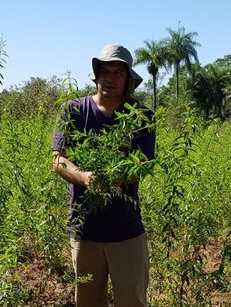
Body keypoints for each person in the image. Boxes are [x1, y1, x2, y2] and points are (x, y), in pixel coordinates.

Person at [51, 44, 156, 307]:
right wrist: (83, 177)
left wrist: (112, 178)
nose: (109, 78)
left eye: (118, 73)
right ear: (96, 75)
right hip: (85, 230)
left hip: (127, 231)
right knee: (87, 301)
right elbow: (59, 160)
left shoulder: (141, 116)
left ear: (128, 80)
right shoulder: (74, 111)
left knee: (132, 301)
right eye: (105, 71)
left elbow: (141, 164)